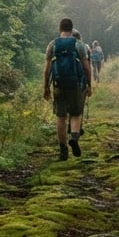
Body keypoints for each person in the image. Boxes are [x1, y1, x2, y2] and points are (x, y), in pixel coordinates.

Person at [43, 18, 92, 160]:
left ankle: (63, 151)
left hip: (58, 85)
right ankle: (74, 137)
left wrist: (46, 87)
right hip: (75, 84)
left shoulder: (53, 44)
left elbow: (47, 70)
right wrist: (89, 84)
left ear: (60, 29)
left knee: (61, 117)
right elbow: (87, 68)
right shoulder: (79, 44)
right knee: (76, 114)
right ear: (71, 29)